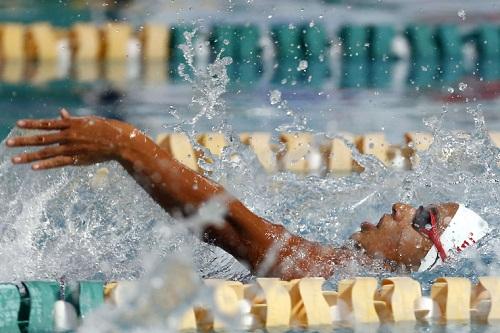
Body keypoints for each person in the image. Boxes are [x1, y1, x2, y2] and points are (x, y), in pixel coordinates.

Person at [6, 110, 491, 280]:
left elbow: (229, 223)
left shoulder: (320, 273)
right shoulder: (341, 270)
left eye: (423, 217)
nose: (402, 207)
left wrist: (125, 145)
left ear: (426, 254)